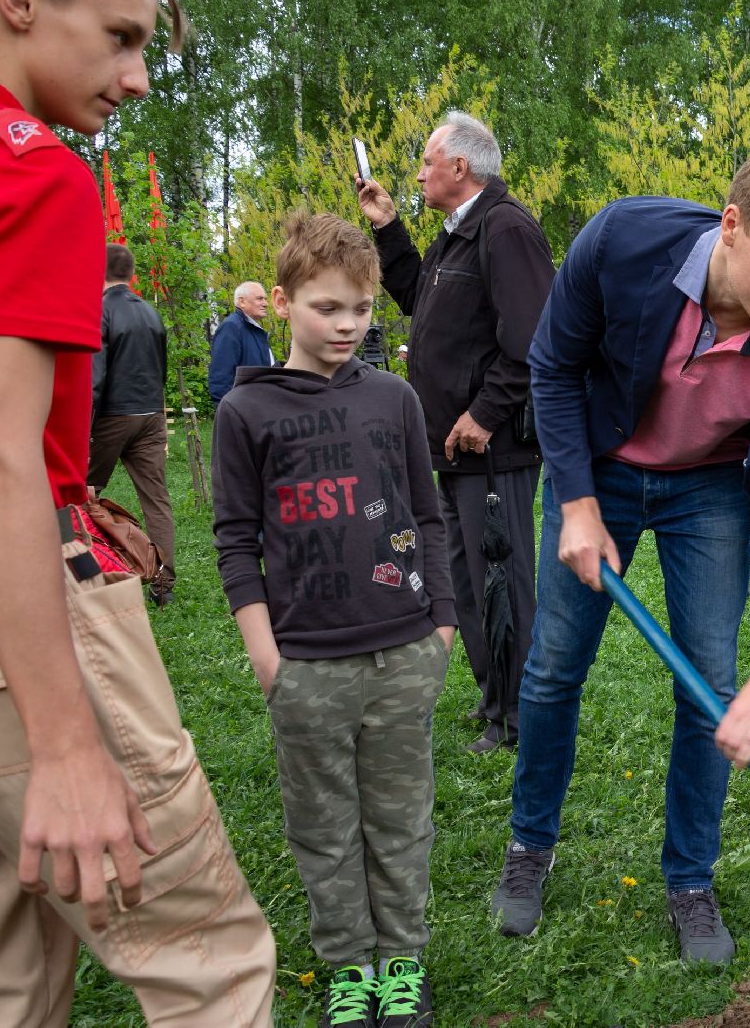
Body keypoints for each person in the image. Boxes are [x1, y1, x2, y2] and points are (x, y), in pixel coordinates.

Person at [0, 0, 276, 1024]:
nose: (138, 78)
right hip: (13, 622)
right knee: (208, 963)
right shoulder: (26, 171)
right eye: (123, 36)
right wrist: (65, 745)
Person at [491, 134, 750, 963]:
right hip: (601, 471)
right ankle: (530, 846)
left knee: (712, 686)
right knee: (555, 664)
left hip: (714, 489)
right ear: (731, 224)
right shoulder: (623, 242)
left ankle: (690, 879)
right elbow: (552, 367)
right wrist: (579, 503)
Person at [211, 213, 456, 1026]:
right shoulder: (246, 414)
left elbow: (429, 514)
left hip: (402, 652)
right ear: (281, 303)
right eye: (327, 308)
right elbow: (235, 540)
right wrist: (265, 654)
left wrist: (443, 624)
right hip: (306, 665)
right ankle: (349, 970)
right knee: (323, 828)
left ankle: (402, 965)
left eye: (361, 309)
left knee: (399, 820)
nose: (347, 325)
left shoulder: (394, 398)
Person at [357, 110, 554, 755]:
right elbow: (416, 296)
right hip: (453, 448)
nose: (418, 173)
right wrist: (387, 226)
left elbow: (528, 343)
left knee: (503, 579)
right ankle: (496, 701)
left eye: (426, 162)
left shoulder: (507, 229)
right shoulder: (456, 234)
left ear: (459, 167)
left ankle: (523, 717)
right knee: (465, 580)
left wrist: (485, 414)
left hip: (491, 448)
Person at [89, 243, 176, 605]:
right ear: (129, 274)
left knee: (80, 492)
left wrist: (84, 428)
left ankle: (89, 573)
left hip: (112, 415)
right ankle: (163, 584)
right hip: (151, 413)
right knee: (156, 499)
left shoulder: (99, 310)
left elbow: (95, 375)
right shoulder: (151, 312)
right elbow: (162, 366)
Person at [207, 280, 274, 403]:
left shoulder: (254, 330)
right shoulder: (231, 327)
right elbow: (221, 377)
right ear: (242, 301)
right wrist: (229, 414)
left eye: (265, 299)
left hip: (260, 408)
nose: (265, 303)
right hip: (244, 412)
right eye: (259, 299)